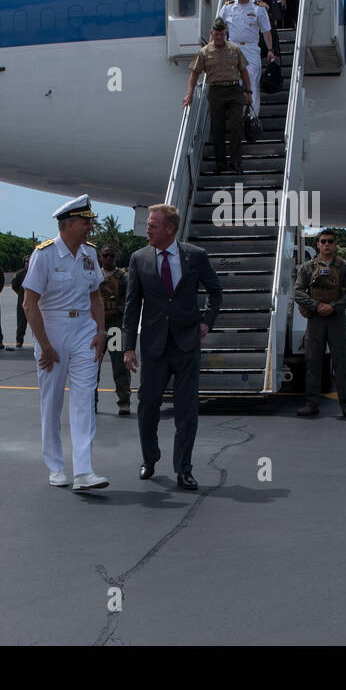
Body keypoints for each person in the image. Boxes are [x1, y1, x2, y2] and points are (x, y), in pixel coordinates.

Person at [123, 204, 223, 491]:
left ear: (169, 228)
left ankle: (184, 468)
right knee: (148, 405)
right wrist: (128, 347)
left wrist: (207, 322)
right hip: (154, 346)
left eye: (153, 225)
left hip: (186, 343)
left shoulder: (195, 256)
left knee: (187, 409)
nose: (148, 230)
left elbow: (215, 292)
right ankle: (150, 458)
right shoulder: (138, 258)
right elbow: (132, 306)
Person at [21, 195, 109, 492]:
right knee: (53, 401)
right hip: (52, 329)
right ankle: (56, 466)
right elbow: (29, 304)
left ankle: (84, 471)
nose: (90, 228)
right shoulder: (43, 255)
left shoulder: (89, 254)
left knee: (84, 397)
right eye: (86, 223)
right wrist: (44, 345)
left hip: (84, 328)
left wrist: (100, 332)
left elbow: (96, 296)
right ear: (69, 224)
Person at [293, 229, 346, 418]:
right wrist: (315, 305)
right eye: (323, 241)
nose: (327, 244)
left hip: (336, 319)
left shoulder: (344, 267)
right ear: (318, 245)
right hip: (315, 319)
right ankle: (311, 403)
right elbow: (298, 292)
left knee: (341, 362)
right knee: (313, 362)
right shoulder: (307, 268)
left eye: (330, 241)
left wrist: (334, 306)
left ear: (335, 244)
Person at [184, 17, 253, 174]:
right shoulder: (204, 52)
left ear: (225, 33)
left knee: (236, 125)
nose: (220, 37)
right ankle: (220, 164)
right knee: (217, 129)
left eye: (222, 34)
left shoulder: (234, 49)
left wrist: (248, 92)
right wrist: (190, 94)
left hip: (234, 90)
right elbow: (194, 74)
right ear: (212, 33)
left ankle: (236, 162)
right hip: (216, 92)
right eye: (217, 34)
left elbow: (244, 71)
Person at [218, 0, 274, 118]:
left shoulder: (257, 8)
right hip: (232, 48)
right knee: (234, 84)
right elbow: (217, 28)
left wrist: (270, 49)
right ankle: (238, 117)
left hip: (251, 49)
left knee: (252, 83)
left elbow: (266, 31)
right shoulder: (228, 7)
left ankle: (252, 119)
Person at [95, 245, 131, 416]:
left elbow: (129, 300)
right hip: (96, 327)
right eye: (105, 255)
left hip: (115, 326)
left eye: (112, 255)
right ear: (100, 257)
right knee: (93, 366)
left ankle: (124, 402)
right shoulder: (94, 275)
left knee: (119, 366)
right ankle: (90, 402)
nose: (109, 258)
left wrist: (115, 311)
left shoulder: (123, 277)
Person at [10, 255, 30, 348]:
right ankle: (19, 341)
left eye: (29, 261)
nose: (28, 263)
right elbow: (14, 285)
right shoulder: (20, 274)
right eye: (26, 261)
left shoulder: (38, 273)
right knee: (21, 323)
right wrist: (21, 294)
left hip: (36, 304)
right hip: (22, 302)